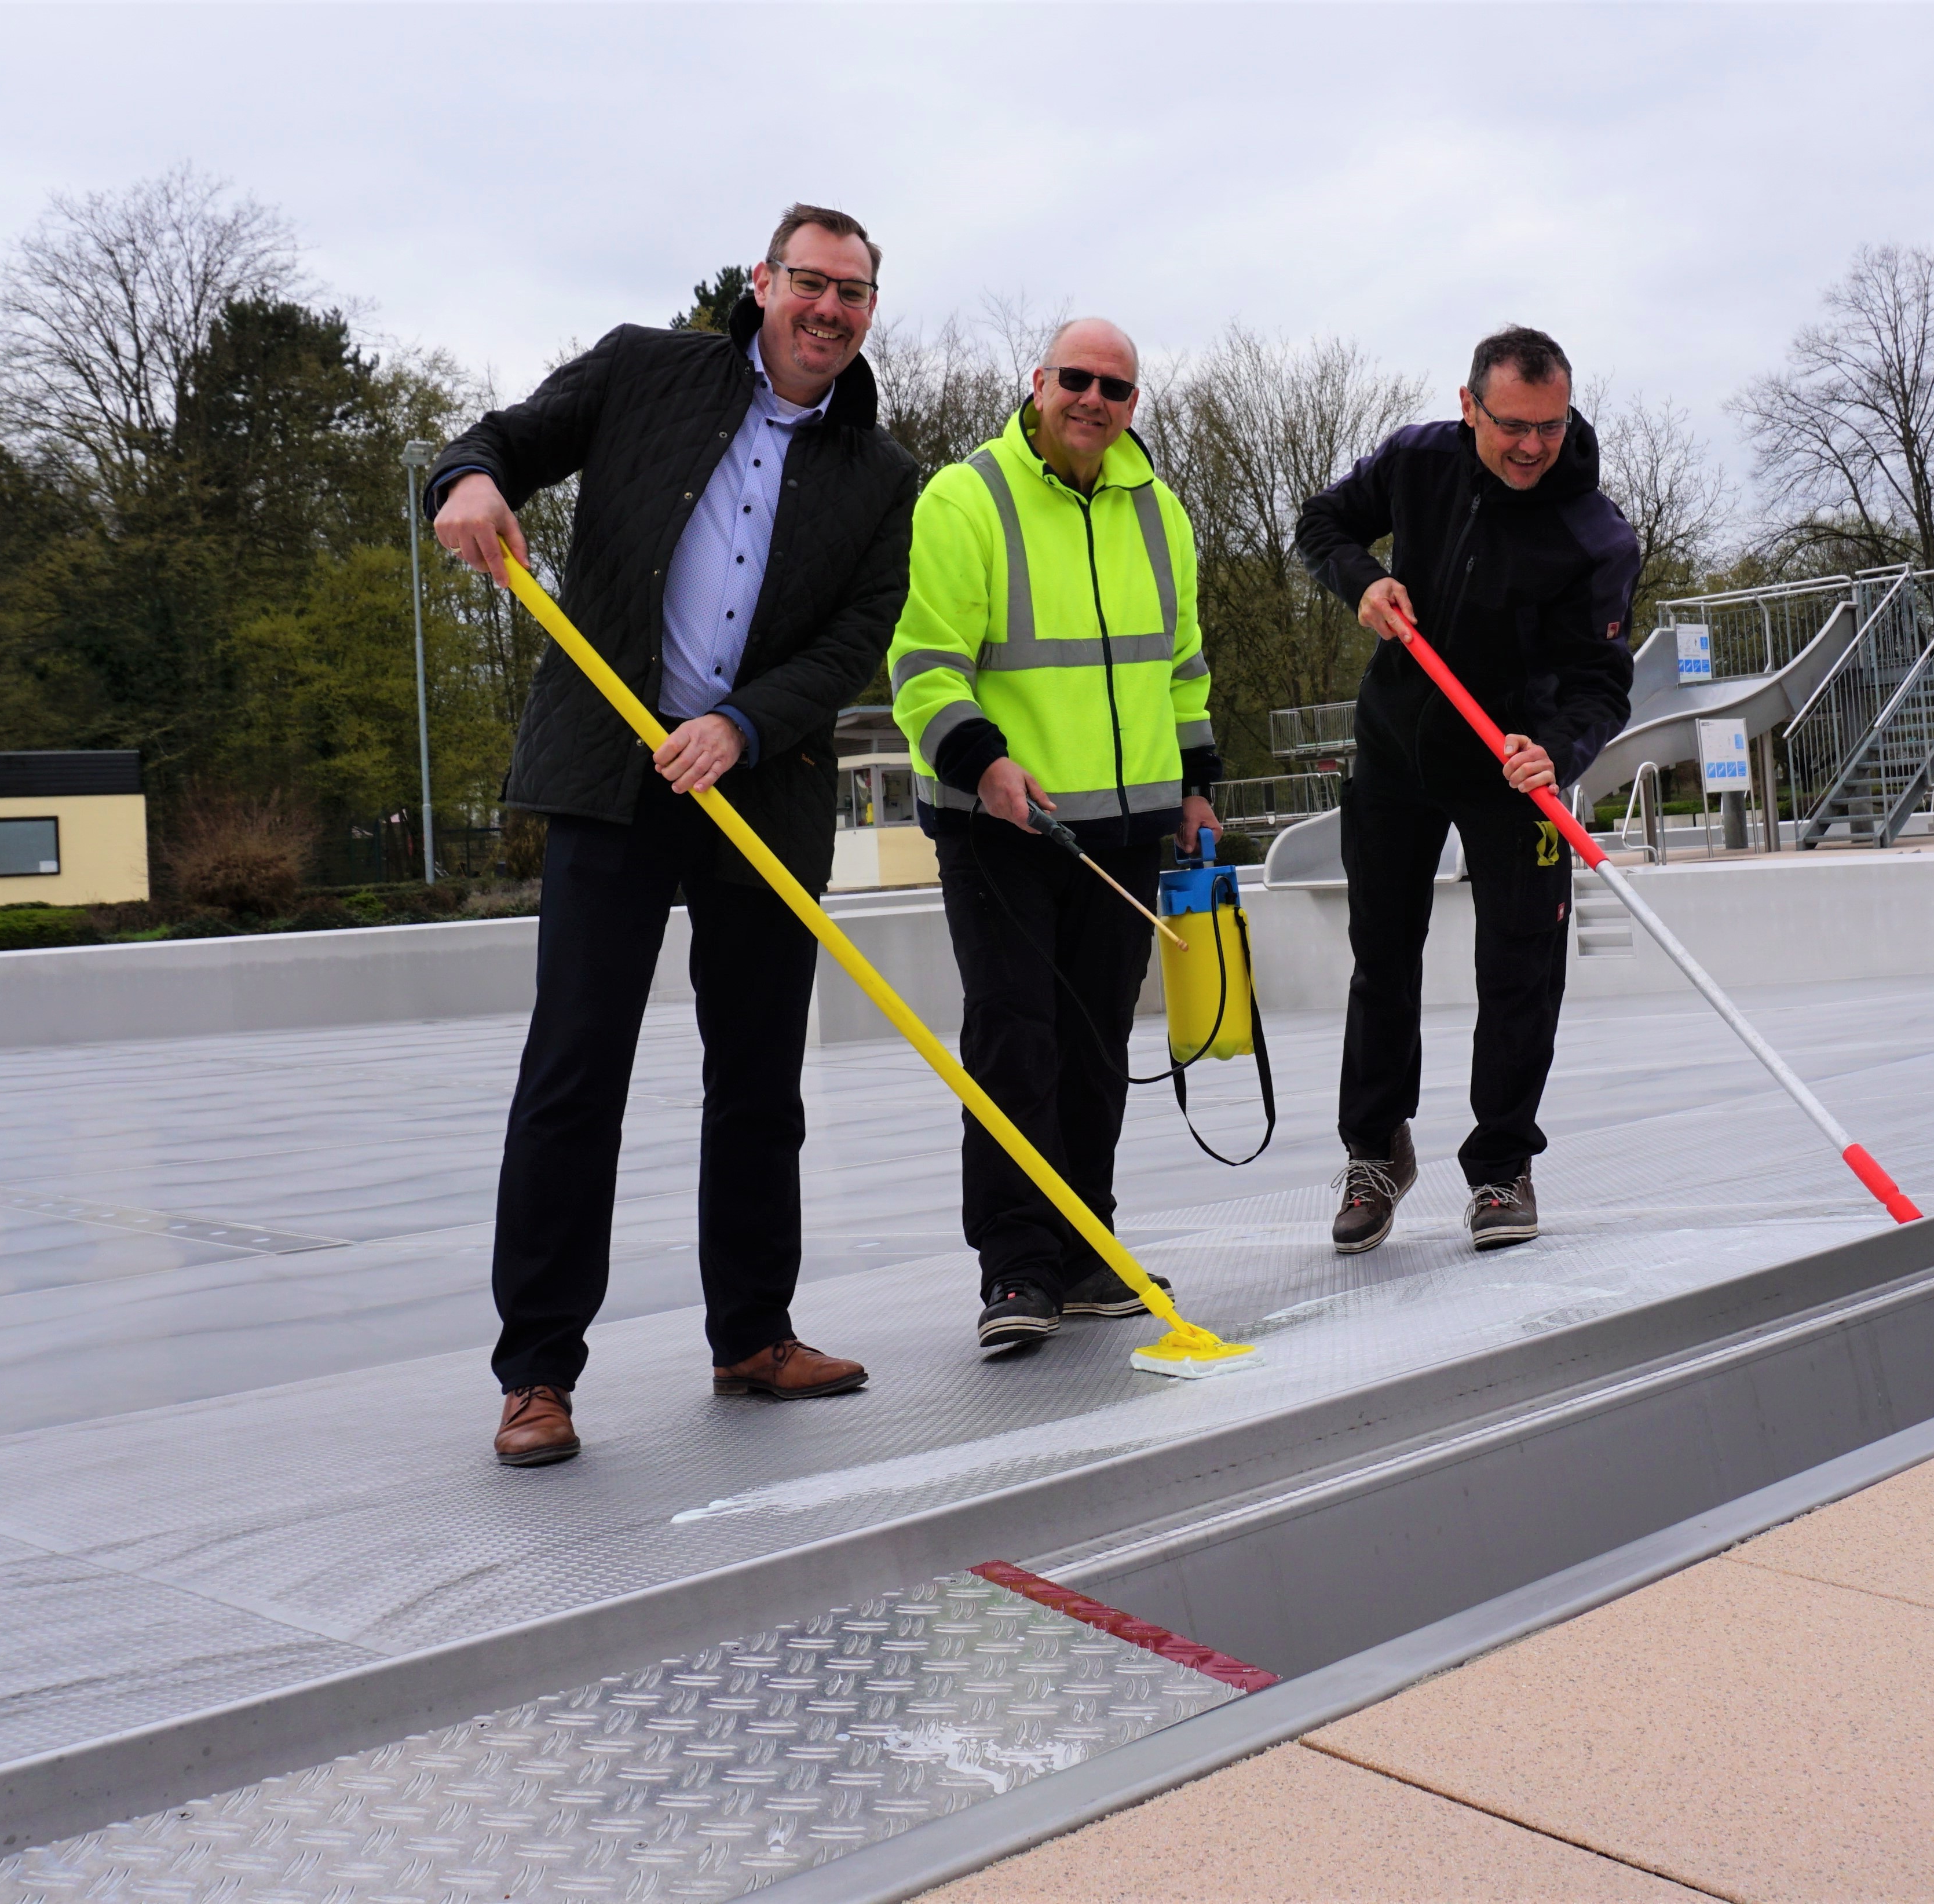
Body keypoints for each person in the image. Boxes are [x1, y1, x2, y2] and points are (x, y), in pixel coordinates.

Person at [428, 204, 917, 1466]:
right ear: (762, 283)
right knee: (574, 1070)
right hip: (609, 771)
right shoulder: (644, 370)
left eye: (853, 295)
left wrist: (745, 728)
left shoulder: (881, 474)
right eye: (809, 283)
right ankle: (536, 1373)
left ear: (870, 312)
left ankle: (753, 1335)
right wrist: (465, 480)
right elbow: (499, 443)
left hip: (762, 786)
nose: (829, 310)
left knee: (758, 1075)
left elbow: (856, 638)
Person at [887, 318, 1219, 1350]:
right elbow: (924, 665)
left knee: (1092, 1047)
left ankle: (1085, 1249)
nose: (1093, 399)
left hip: (1123, 830)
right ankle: (1018, 1269)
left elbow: (1184, 670)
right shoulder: (965, 496)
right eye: (1074, 379)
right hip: (1000, 823)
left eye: (1115, 387)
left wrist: (1198, 788)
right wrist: (980, 760)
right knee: (1014, 1041)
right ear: (1036, 384)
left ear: (1133, 404)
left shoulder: (1162, 513)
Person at [1294, 326, 1637, 1254]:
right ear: (1468, 406)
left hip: (1512, 772)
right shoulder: (1415, 461)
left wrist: (1556, 750)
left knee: (1520, 968)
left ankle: (1500, 1169)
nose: (1530, 447)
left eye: (1550, 427)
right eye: (1511, 426)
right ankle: (1375, 1151)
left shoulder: (1593, 534)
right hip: (1397, 753)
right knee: (1383, 954)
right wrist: (1361, 580)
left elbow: (1602, 684)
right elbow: (1318, 523)